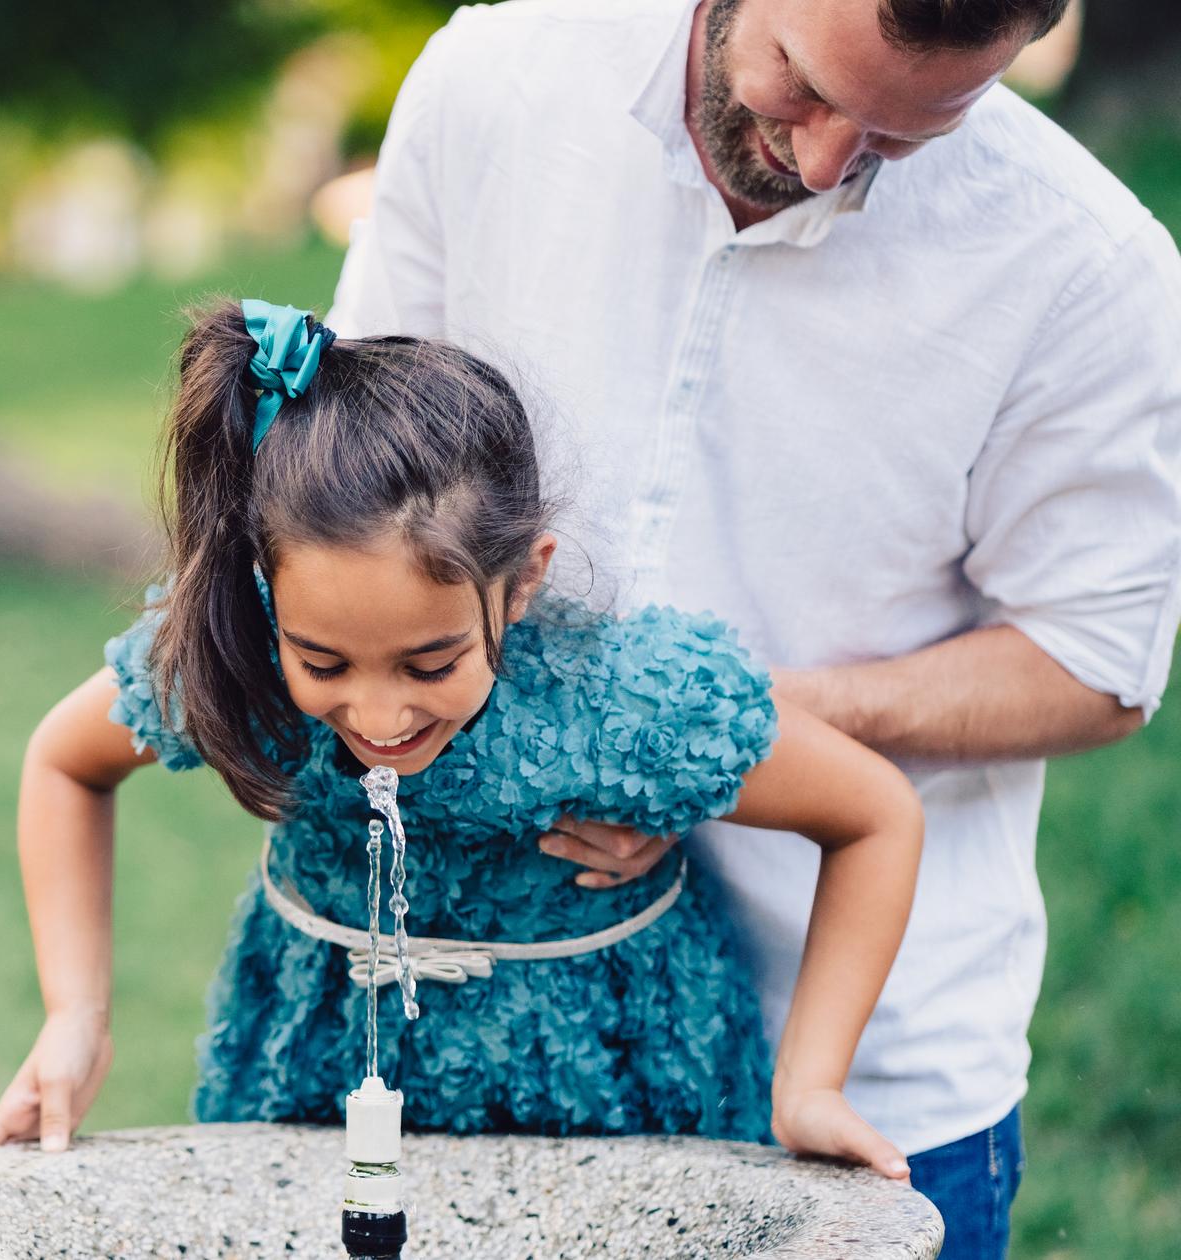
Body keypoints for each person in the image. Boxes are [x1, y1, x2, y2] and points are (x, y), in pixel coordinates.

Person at [324, 0, 1181, 1253]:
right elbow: (349, 482)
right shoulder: (490, 82)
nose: (826, 161)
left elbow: (1095, 667)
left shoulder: (1088, 267)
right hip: (494, 1032)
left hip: (862, 1081)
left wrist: (709, 742)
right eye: (800, 86)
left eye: (903, 136)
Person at [0, 299, 925, 1181]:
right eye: (326, 664)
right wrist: (75, 1016)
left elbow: (874, 814)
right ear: (270, 591)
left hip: (611, 1103)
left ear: (523, 582)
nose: (379, 721)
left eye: (431, 665)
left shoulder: (619, 700)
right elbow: (66, 762)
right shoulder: (240, 656)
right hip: (317, 1086)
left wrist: (810, 1083)